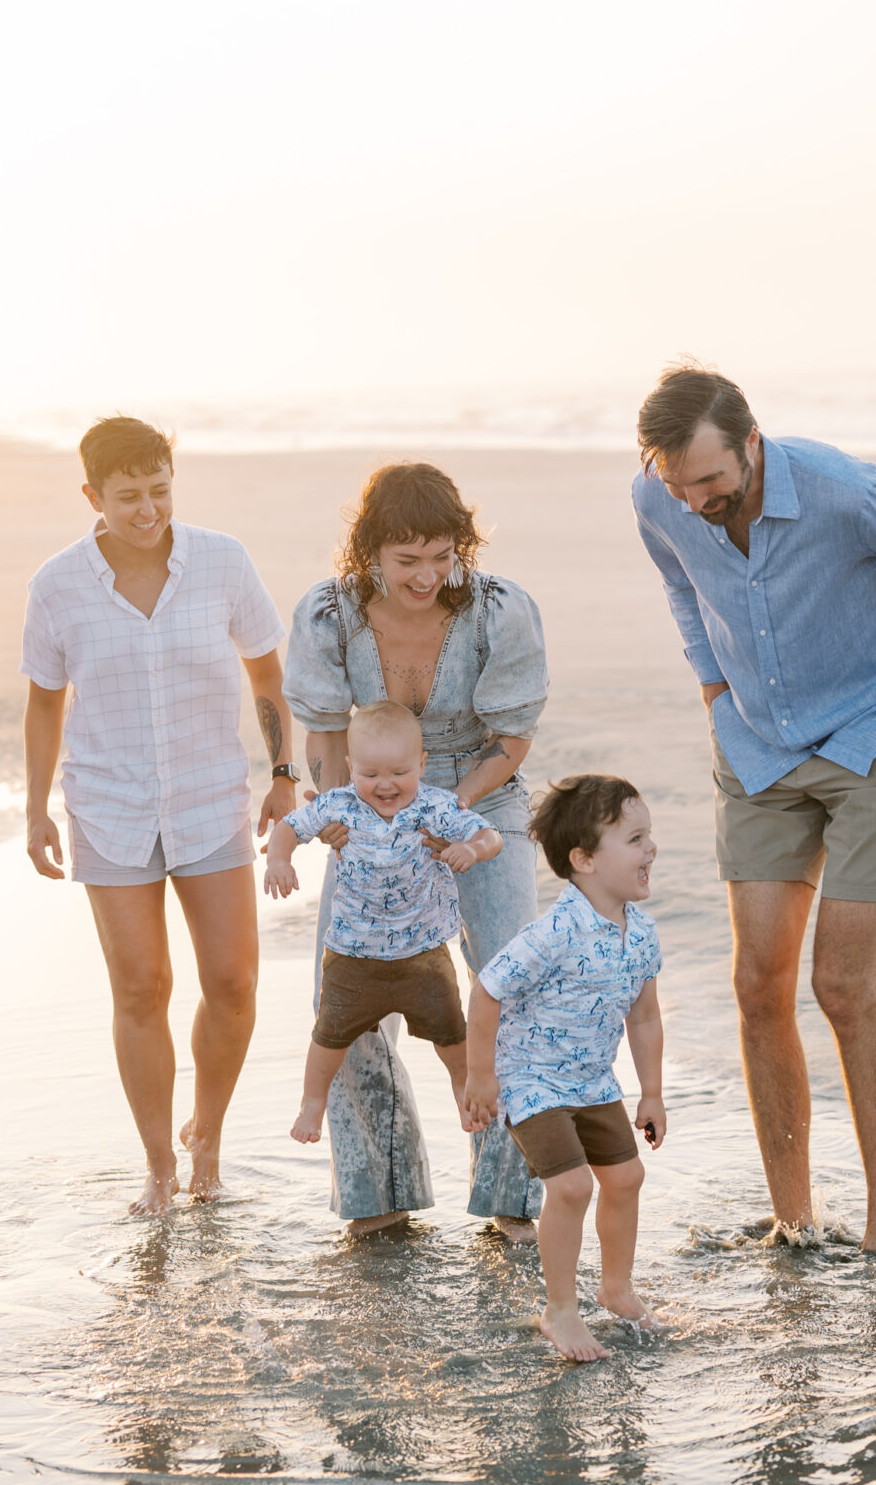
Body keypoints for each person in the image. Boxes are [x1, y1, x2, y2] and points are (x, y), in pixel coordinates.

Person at [633, 364, 876, 1252]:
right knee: (758, 986)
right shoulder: (656, 497)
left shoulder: (844, 491)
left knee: (841, 985)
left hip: (872, 739)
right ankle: (792, 1220)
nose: (696, 499)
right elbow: (680, 581)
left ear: (752, 443)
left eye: (711, 480)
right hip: (754, 746)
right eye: (679, 484)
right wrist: (712, 685)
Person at [21, 416, 296, 1214]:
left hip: (211, 798)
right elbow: (44, 702)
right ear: (92, 496)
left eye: (160, 491)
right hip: (109, 806)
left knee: (234, 982)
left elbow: (266, 671)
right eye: (129, 497)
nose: (148, 511)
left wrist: (283, 774)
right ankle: (158, 1168)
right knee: (142, 987)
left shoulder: (222, 561)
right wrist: (35, 808)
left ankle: (205, 1139)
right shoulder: (57, 584)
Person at [283, 462, 551, 1238]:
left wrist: (447, 815)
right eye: (408, 561)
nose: (429, 575)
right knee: (342, 996)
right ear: (369, 554)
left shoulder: (500, 612)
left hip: (479, 796)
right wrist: (340, 814)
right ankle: (379, 1197)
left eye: (443, 555)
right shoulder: (328, 616)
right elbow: (327, 732)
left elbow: (513, 740)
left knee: (511, 986)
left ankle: (511, 1200)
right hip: (364, 799)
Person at [464, 774, 667, 1363]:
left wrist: (650, 1092)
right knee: (572, 1186)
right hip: (532, 1080)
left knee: (626, 1179)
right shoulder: (554, 931)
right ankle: (561, 1310)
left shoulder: (643, 933)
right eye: (634, 838)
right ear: (583, 861)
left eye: (649, 835)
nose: (650, 848)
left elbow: (646, 1017)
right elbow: (487, 991)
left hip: (594, 1080)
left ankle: (616, 1288)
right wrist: (482, 1076)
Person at [264, 701, 504, 1143]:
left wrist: (471, 850)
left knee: (453, 1038)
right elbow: (290, 828)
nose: (385, 785)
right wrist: (279, 859)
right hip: (353, 956)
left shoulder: (435, 806)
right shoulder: (340, 804)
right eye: (370, 774)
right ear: (351, 766)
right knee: (328, 1035)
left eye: (399, 772)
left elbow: (490, 835)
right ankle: (312, 1104)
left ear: (422, 763)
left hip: (423, 955)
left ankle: (462, 1095)